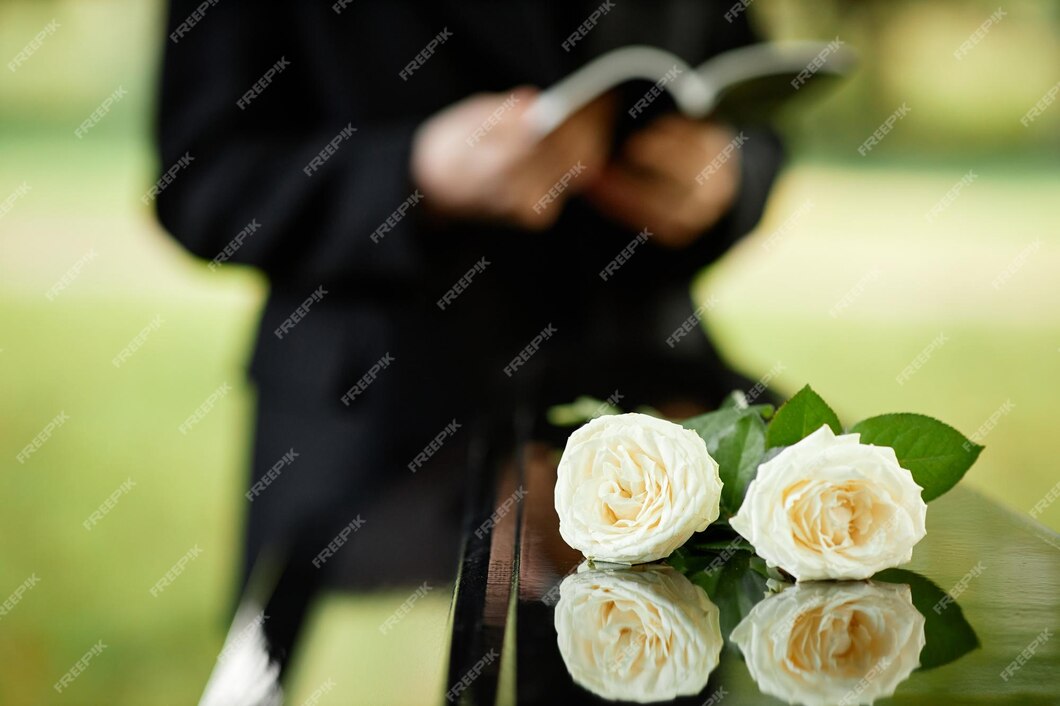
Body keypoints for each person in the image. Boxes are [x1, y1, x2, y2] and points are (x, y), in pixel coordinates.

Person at [153, 1, 784, 701]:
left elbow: (754, 114)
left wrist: (727, 180)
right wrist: (412, 172)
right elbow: (199, 176)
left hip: (657, 414)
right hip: (372, 441)